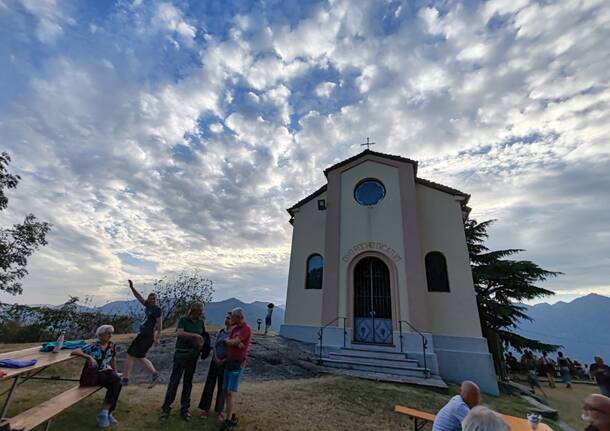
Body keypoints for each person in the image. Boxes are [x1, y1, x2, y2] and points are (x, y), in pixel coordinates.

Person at [161, 302, 207, 422]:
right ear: (193, 310)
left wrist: (202, 345)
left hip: (193, 356)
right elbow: (180, 333)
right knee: (174, 381)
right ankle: (166, 409)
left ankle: (185, 409)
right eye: (200, 310)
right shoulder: (183, 320)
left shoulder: (201, 322)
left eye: (202, 310)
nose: (202, 312)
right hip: (181, 354)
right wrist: (195, 336)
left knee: (188, 382)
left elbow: (203, 336)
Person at [71, 325, 122, 428]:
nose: (110, 335)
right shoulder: (94, 346)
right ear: (101, 334)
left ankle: (106, 412)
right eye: (108, 333)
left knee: (117, 382)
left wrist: (115, 371)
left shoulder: (111, 345)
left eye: (111, 333)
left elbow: (113, 359)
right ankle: (106, 413)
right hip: (94, 375)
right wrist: (89, 357)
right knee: (116, 382)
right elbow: (75, 351)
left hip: (106, 373)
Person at [121, 279, 162, 387]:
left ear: (156, 300)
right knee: (140, 356)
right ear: (148, 299)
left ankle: (125, 378)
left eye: (154, 299)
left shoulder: (157, 309)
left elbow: (159, 324)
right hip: (143, 335)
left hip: (147, 336)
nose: (152, 300)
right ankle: (154, 373)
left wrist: (157, 337)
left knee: (130, 354)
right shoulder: (148, 306)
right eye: (151, 298)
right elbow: (139, 297)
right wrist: (132, 287)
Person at [221, 307, 252, 431]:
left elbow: (234, 342)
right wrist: (233, 342)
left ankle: (228, 421)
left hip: (237, 364)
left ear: (238, 317)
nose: (230, 319)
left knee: (230, 392)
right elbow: (235, 342)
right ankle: (232, 415)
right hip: (229, 362)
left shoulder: (246, 329)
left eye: (232, 317)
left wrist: (229, 341)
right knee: (227, 391)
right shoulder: (235, 329)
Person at [199, 311, 232, 422]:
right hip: (215, 361)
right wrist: (216, 358)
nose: (226, 319)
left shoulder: (233, 334)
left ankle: (219, 411)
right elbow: (215, 345)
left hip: (225, 363)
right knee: (209, 385)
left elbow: (233, 350)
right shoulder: (221, 331)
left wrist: (223, 360)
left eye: (229, 318)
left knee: (222, 388)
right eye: (226, 317)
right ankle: (205, 409)